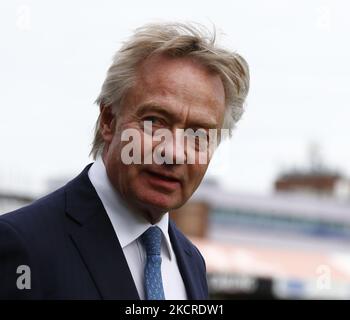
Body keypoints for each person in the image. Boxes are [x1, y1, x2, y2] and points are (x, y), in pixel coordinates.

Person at [0, 22, 249, 299]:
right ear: (108, 119)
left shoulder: (192, 263)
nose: (174, 152)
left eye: (199, 134)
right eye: (154, 121)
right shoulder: (22, 244)